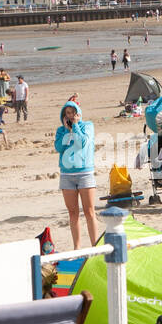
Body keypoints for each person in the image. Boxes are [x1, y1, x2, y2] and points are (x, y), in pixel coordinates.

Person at [55, 100, 99, 249]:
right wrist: (68, 130)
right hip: (67, 175)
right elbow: (59, 147)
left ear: (78, 113)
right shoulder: (61, 130)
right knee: (73, 212)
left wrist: (75, 128)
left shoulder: (87, 126)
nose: (71, 115)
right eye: (67, 113)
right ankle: (77, 247)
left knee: (89, 211)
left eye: (73, 112)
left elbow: (82, 143)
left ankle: (95, 245)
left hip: (84, 173)